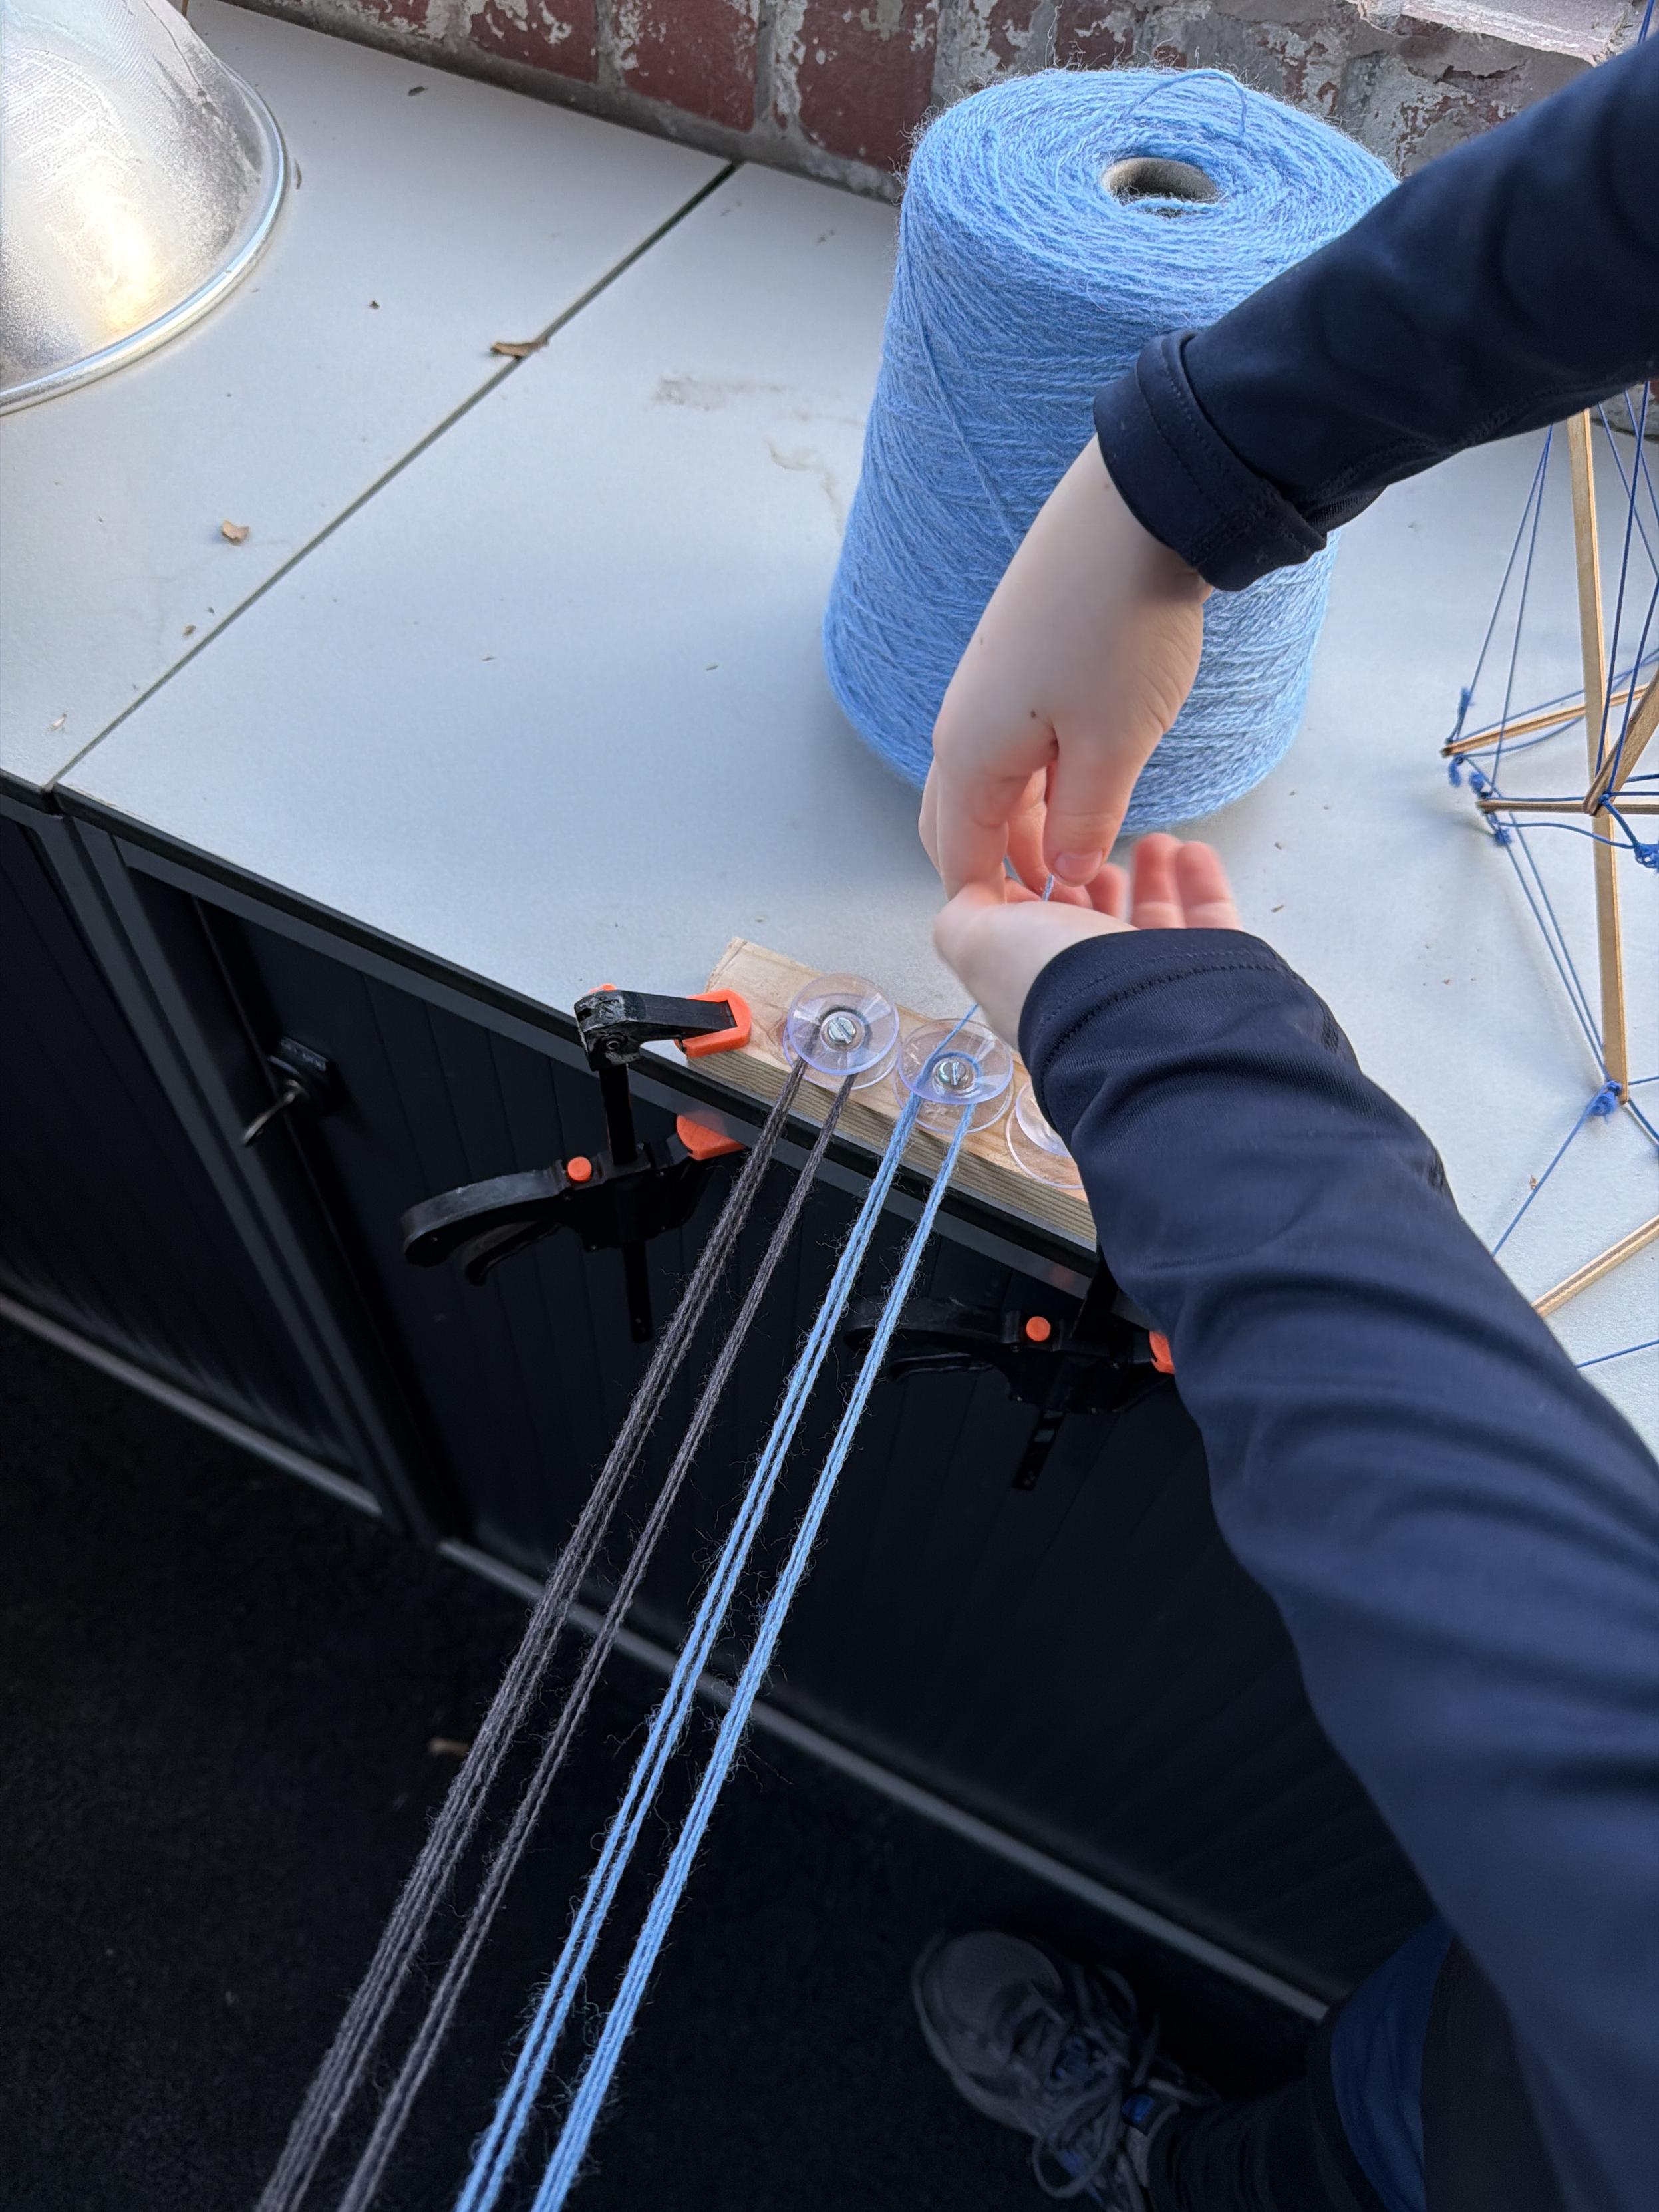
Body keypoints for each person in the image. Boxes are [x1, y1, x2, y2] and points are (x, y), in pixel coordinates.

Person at [909, 30, 1659, 2212]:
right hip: (1511, 2079)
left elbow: (1567, 1720)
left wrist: (1158, 1037)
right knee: (1373, 2119)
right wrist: (1182, 475)